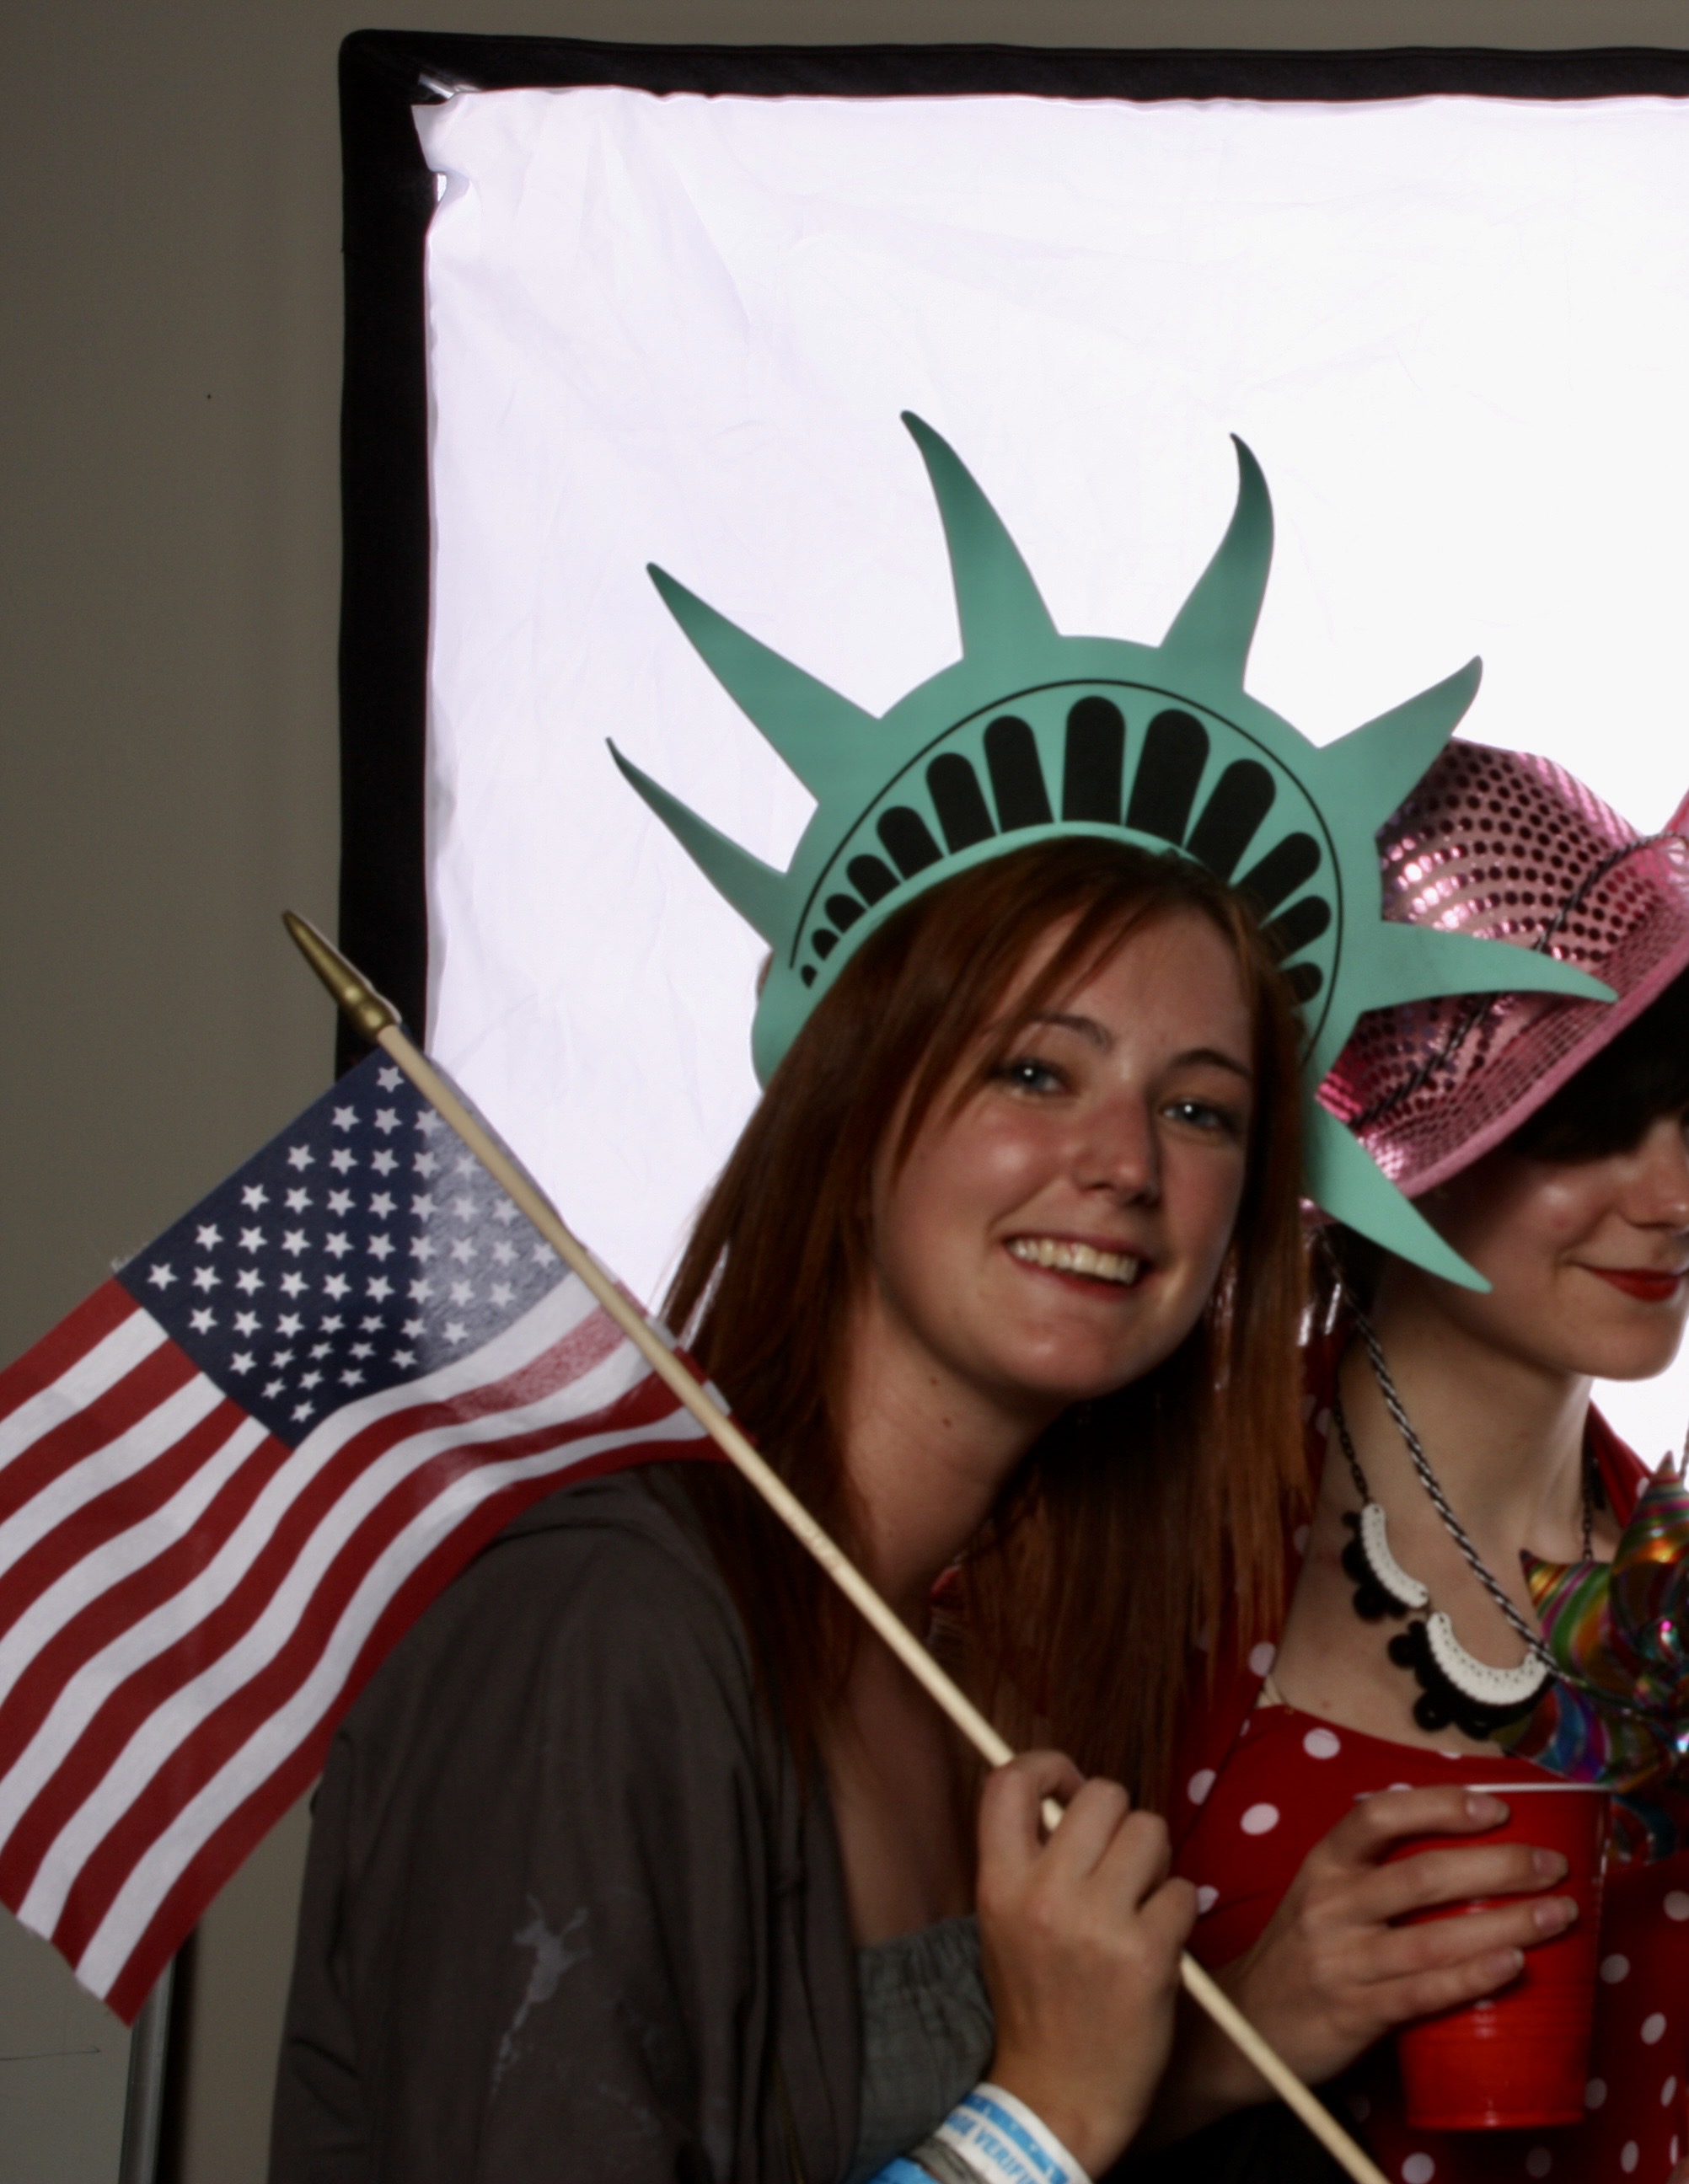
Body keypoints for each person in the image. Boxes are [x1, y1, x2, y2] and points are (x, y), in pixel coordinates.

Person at [271, 420, 1595, 2183]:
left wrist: (1223, 2049)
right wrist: (1041, 2106)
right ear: (859, 1104)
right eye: (1036, 1074)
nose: (1125, 1162)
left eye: (1199, 1108)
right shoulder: (601, 1641)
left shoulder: (980, 1658)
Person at [1160, 741, 1689, 2181]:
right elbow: (922, 2120)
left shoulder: (1669, 1573)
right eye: (1584, 1124)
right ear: (1403, 1144)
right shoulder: (1139, 1532)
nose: (1677, 1195)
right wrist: (1228, 2053)